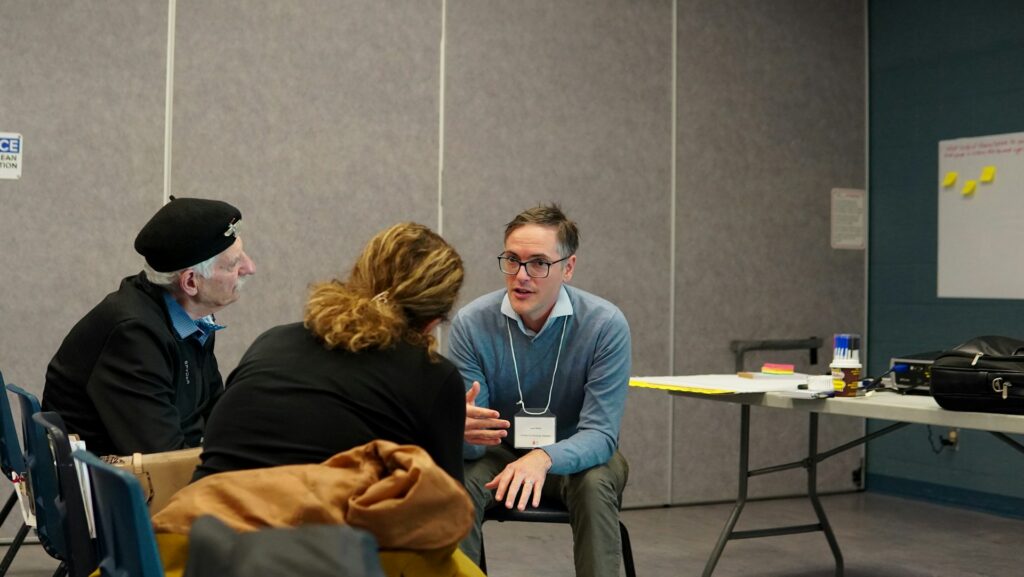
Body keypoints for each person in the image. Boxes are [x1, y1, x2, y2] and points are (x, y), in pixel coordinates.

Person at [193, 222, 467, 483]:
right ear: (432, 322)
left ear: (359, 275)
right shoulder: (432, 377)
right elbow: (446, 514)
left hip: (202, 520)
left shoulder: (272, 341)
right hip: (308, 528)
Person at [448, 204, 631, 577]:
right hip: (499, 452)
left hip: (577, 454)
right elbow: (476, 441)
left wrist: (543, 457)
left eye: (538, 263)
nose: (521, 275)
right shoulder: (472, 323)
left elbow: (601, 433)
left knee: (596, 481)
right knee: (456, 482)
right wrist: (457, 430)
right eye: (512, 260)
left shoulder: (604, 324)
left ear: (568, 267)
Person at [42, 196, 256, 456]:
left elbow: (216, 421)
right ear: (190, 282)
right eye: (234, 264)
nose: (249, 268)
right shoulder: (133, 336)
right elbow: (161, 457)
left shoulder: (192, 319)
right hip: (115, 489)